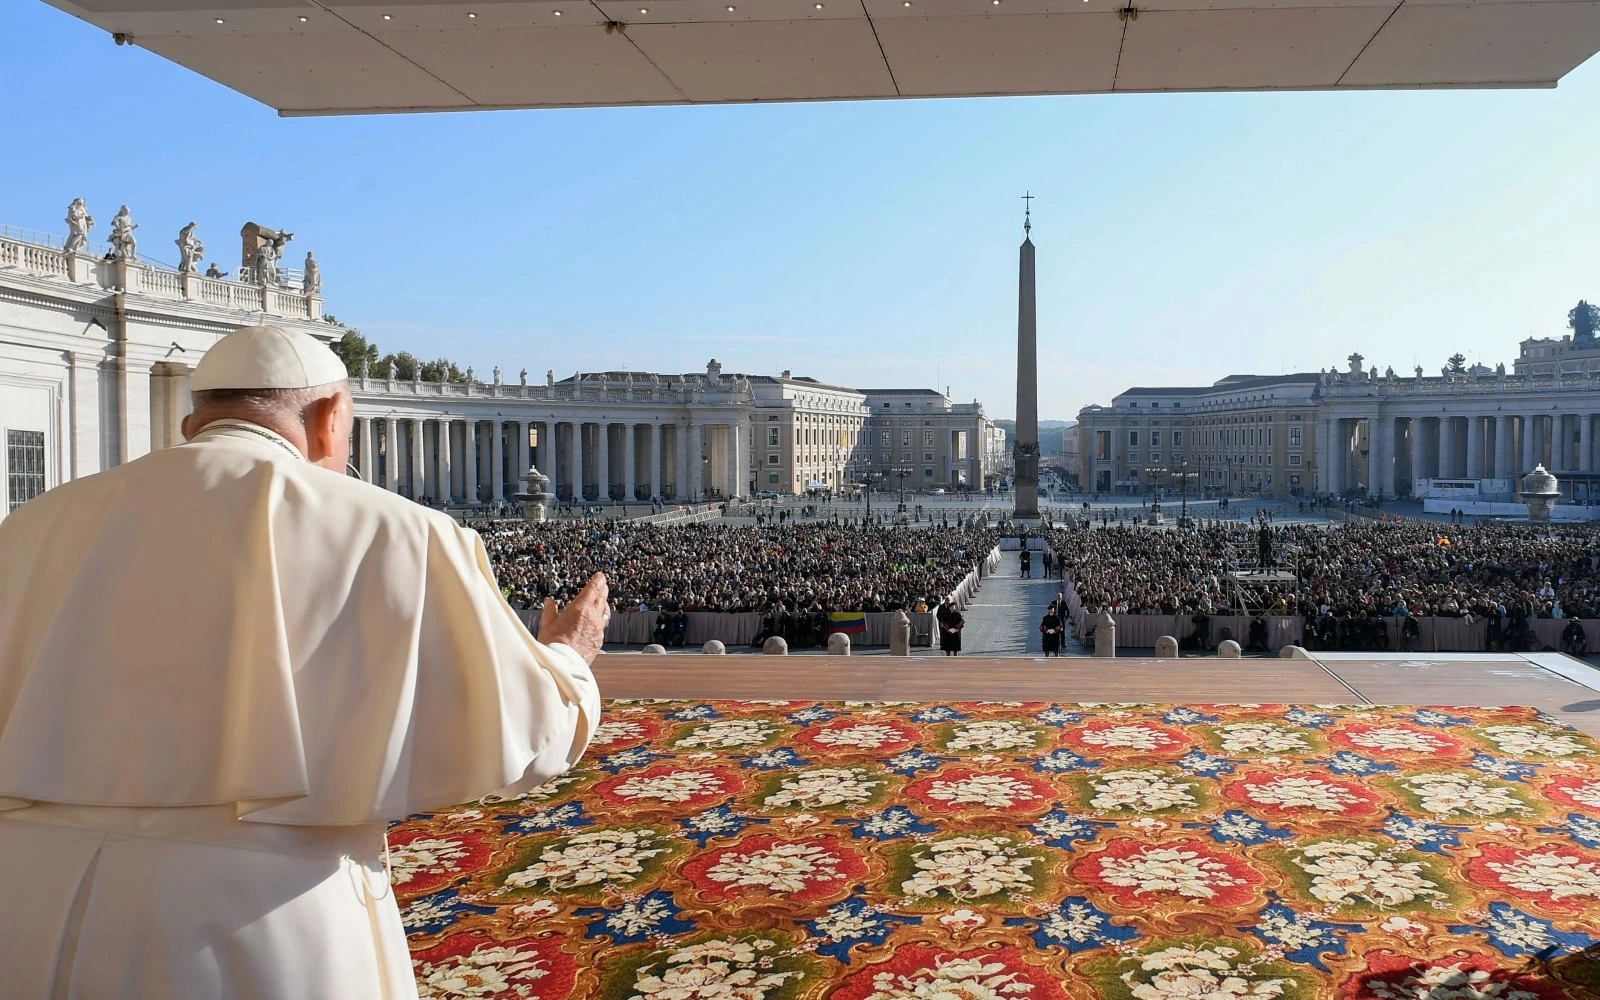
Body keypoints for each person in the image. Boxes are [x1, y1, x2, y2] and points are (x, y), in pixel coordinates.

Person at [0, 324, 606, 1000]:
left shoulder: (26, 529)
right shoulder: (402, 530)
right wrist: (569, 654)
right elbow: (532, 733)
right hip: (261, 921)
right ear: (330, 419)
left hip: (23, 910)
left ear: (190, 422)